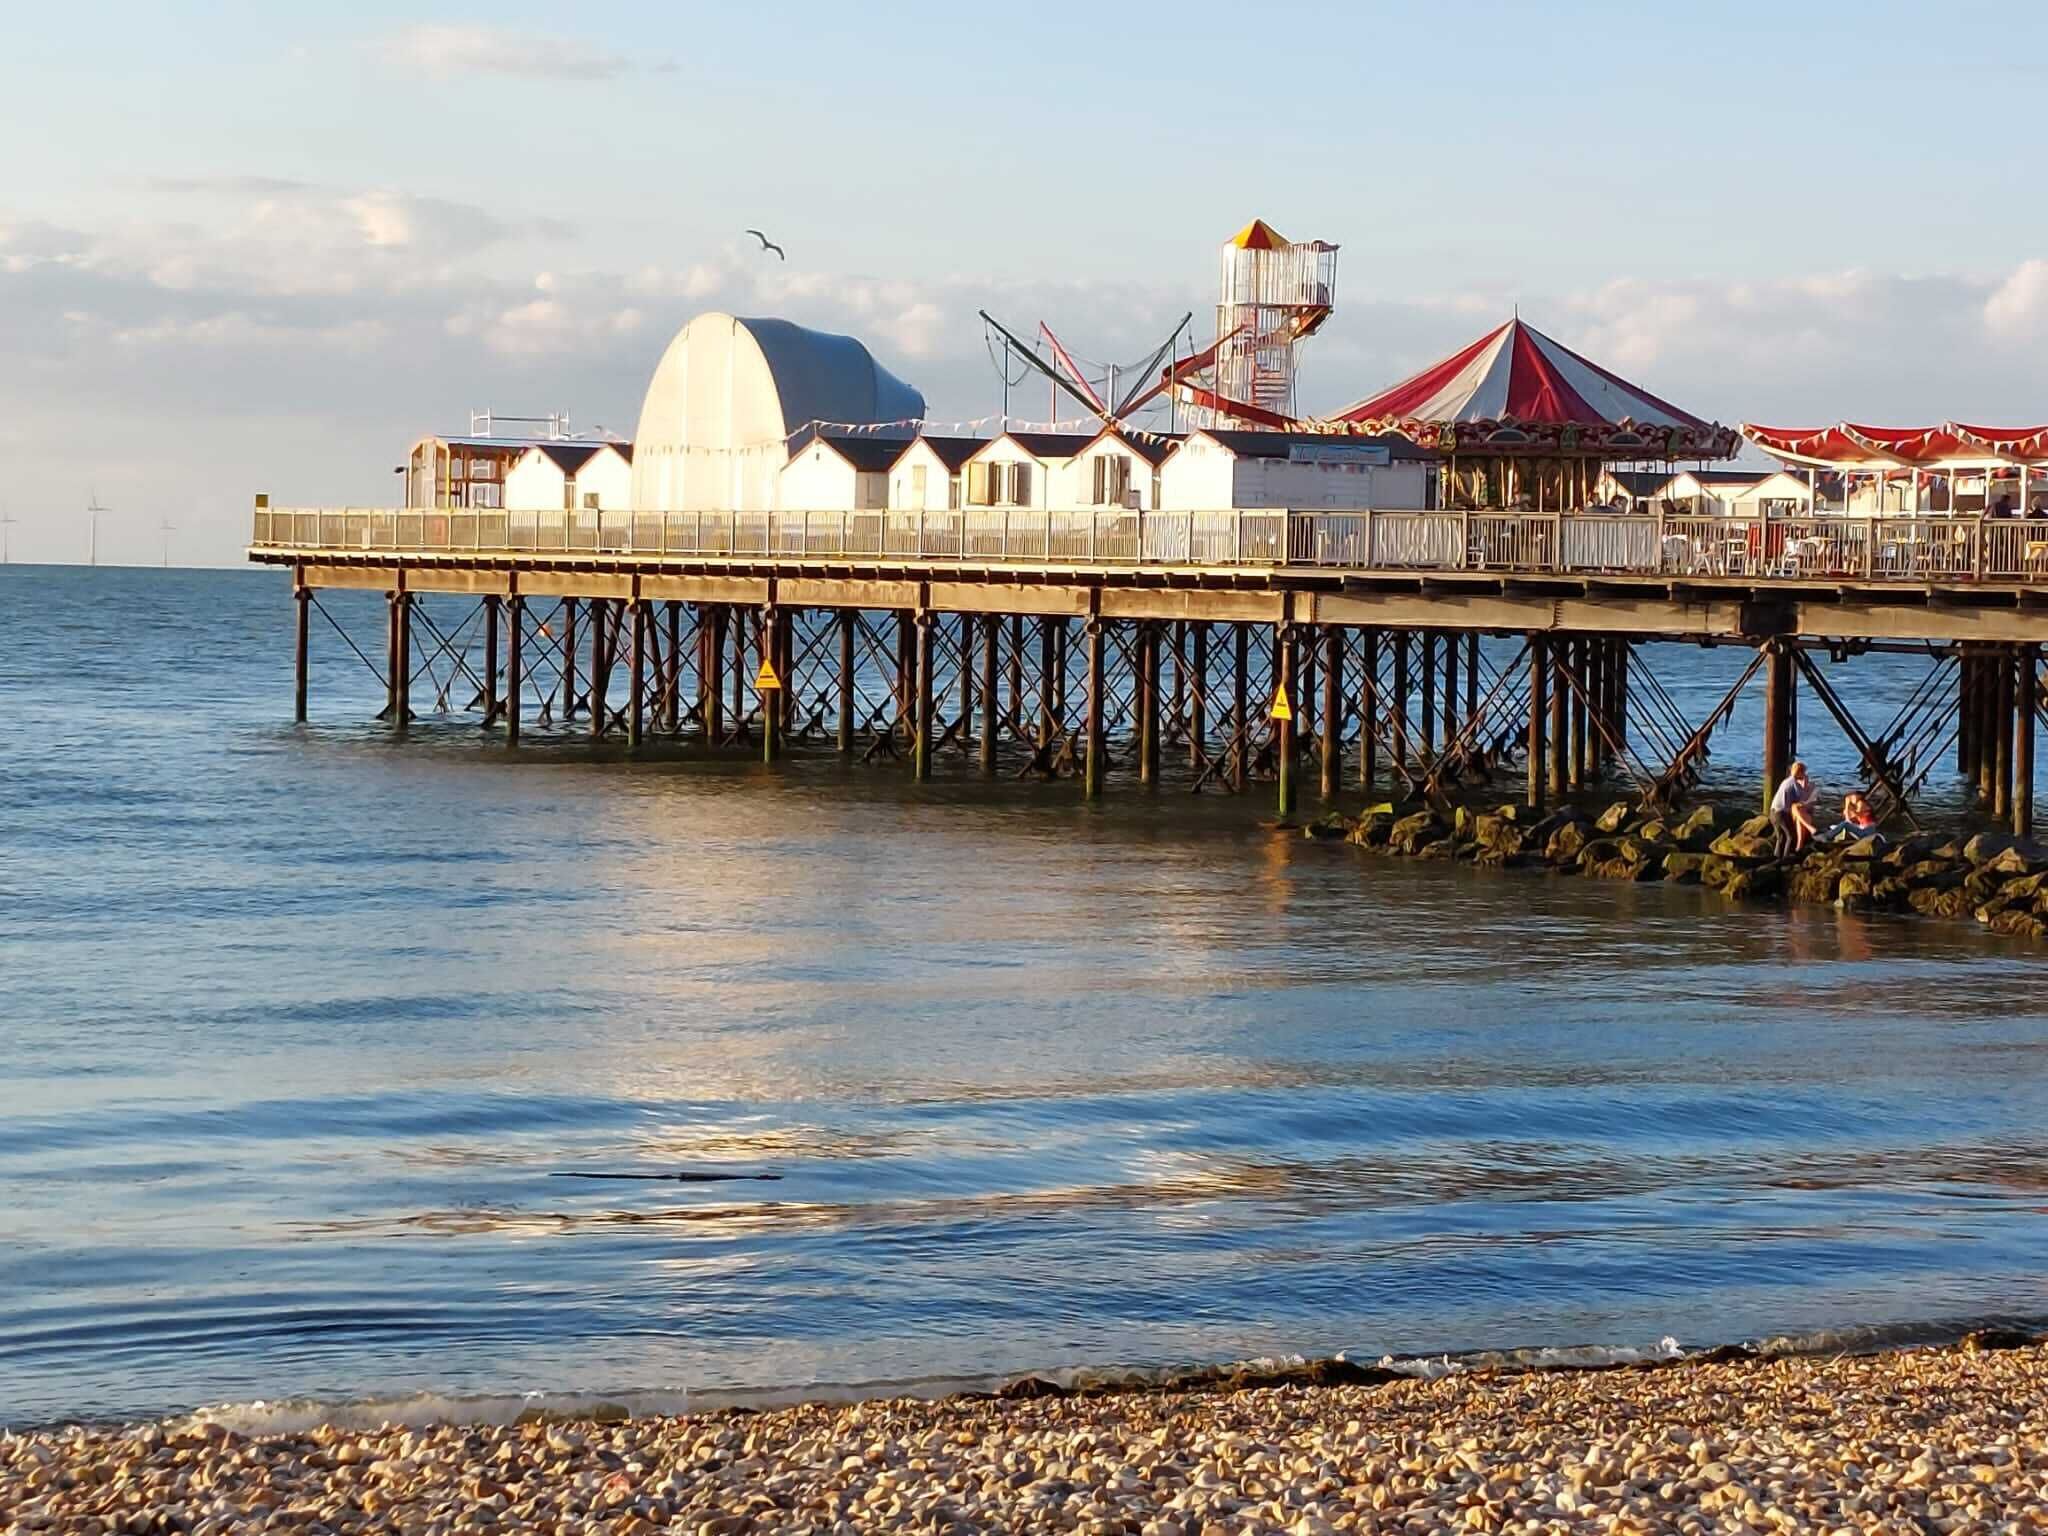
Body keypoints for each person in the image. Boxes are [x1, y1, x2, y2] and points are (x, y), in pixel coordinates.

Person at [1769, 761, 1817, 858]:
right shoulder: (1793, 783)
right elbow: (1803, 799)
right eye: (1804, 773)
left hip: (1773, 812)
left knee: (1780, 837)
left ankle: (1776, 856)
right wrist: (1805, 784)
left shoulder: (1786, 781)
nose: (1804, 775)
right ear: (1800, 772)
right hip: (1780, 813)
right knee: (1790, 837)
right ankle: (1786, 857)